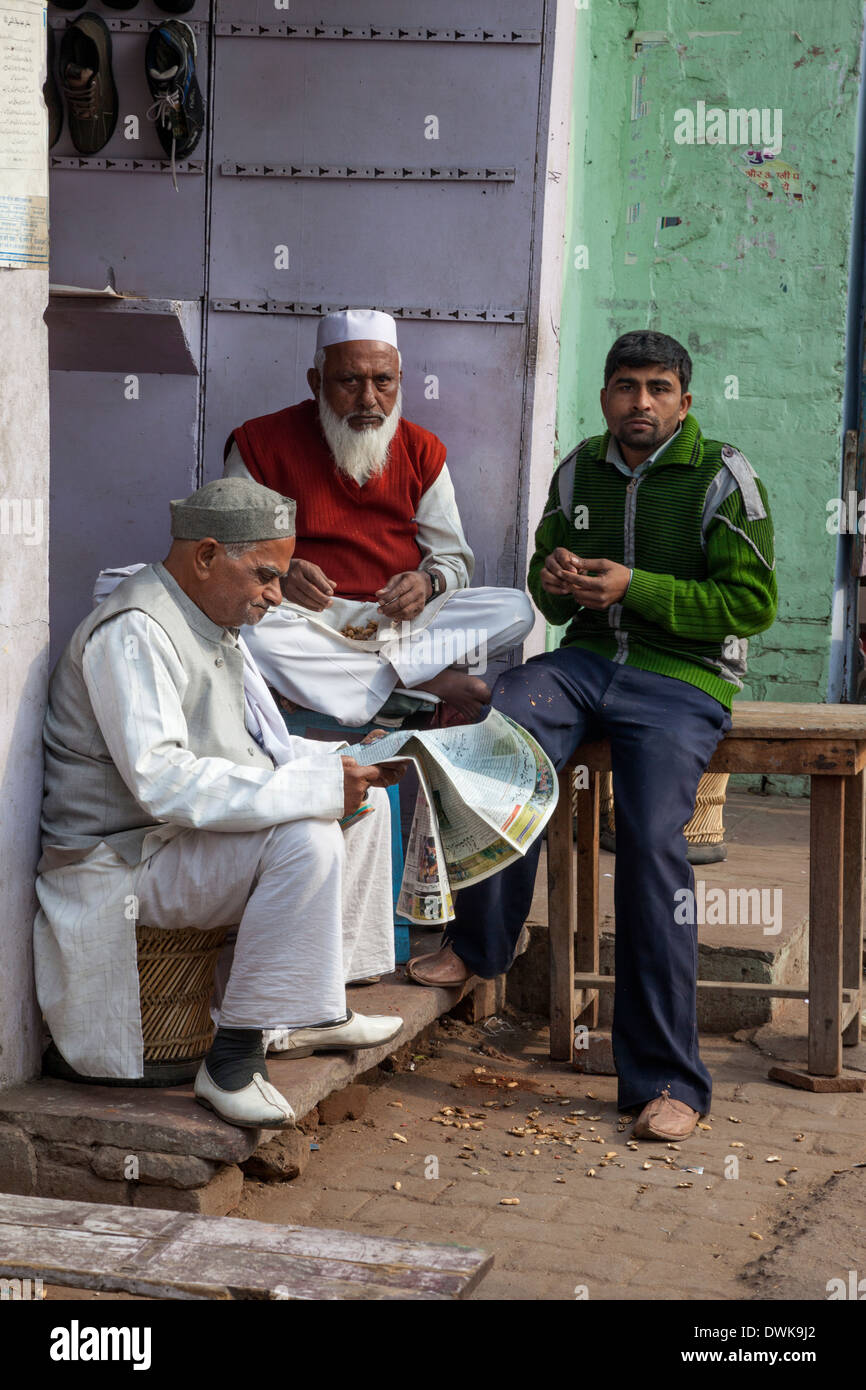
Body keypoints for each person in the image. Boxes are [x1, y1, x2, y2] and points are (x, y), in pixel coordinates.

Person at [407, 331, 778, 1144]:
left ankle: (670, 1081)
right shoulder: (578, 469)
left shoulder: (723, 476)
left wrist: (635, 587)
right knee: (502, 723)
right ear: (605, 395)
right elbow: (555, 579)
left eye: (658, 388)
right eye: (624, 387)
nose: (640, 403)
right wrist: (557, 577)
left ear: (685, 399)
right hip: (584, 665)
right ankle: (480, 944)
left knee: (650, 844)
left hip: (680, 678)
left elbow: (750, 604)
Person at [34, 477, 407, 1131]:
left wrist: (340, 768)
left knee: (362, 806)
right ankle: (232, 1061)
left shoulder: (211, 619)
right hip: (118, 863)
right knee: (307, 837)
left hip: (173, 846)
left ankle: (313, 1012)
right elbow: (163, 782)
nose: (274, 595)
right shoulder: (135, 632)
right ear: (206, 556)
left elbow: (253, 744)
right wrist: (315, 789)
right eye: (266, 576)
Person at [224, 308, 534, 725]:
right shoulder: (259, 443)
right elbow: (229, 552)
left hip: (398, 626)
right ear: (316, 383)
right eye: (349, 381)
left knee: (515, 609)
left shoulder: (422, 450)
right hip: (303, 619)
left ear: (399, 381)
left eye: (382, 382)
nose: (369, 399)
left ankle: (374, 681)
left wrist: (428, 581)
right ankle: (414, 683)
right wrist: (279, 573)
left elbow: (454, 560)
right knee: (245, 627)